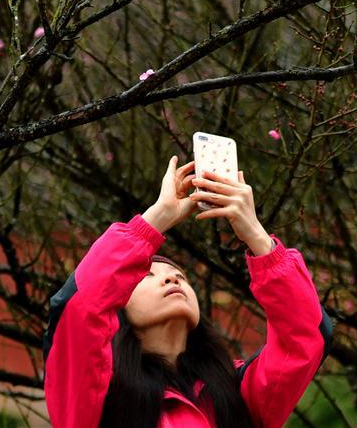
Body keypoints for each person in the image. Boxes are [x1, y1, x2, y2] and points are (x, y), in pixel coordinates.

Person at [42, 156, 334, 427]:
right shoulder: (94, 395)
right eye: (148, 276)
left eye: (179, 275)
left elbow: (307, 336)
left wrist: (255, 235)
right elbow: (79, 307)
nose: (172, 280)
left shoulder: (239, 392)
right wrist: (157, 218)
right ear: (118, 309)